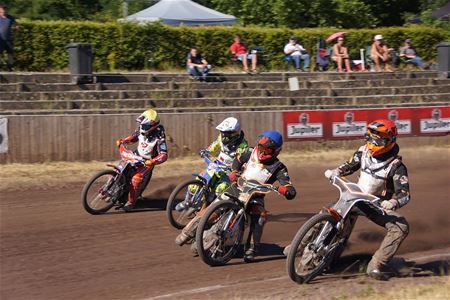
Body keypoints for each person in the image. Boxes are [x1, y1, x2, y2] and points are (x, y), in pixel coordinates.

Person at [176, 131, 297, 263]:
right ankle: (187, 232)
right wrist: (234, 171)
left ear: (276, 151)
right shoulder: (250, 151)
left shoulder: (280, 168)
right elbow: (238, 160)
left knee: (261, 216)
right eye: (261, 148)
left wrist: (286, 190)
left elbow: (290, 189)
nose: (262, 152)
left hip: (255, 196)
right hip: (237, 187)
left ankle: (251, 248)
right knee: (212, 210)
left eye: (267, 150)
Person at [325, 119, 410, 280]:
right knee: (327, 214)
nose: (372, 142)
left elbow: (405, 194)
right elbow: (350, 165)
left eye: (377, 139)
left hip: (376, 206)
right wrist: (336, 171)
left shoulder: (396, 166)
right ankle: (301, 247)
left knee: (401, 227)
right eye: (370, 137)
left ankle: (376, 265)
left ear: (389, 141)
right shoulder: (363, 152)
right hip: (354, 197)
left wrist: (393, 202)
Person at [116, 109, 168, 211]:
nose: (142, 128)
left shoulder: (160, 136)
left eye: (145, 126)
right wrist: (123, 140)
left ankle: (131, 202)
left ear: (153, 125)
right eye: (142, 125)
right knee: (119, 168)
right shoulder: (141, 128)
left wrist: (152, 161)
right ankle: (110, 187)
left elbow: (164, 155)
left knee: (136, 179)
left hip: (147, 163)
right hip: (136, 156)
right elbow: (134, 137)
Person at [0, 3, 16, 71]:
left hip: (9, 39)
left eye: (5, 9)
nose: (4, 10)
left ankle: (10, 67)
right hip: (0, 39)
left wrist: (15, 34)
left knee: (10, 53)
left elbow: (16, 26)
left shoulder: (11, 17)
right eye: (2, 9)